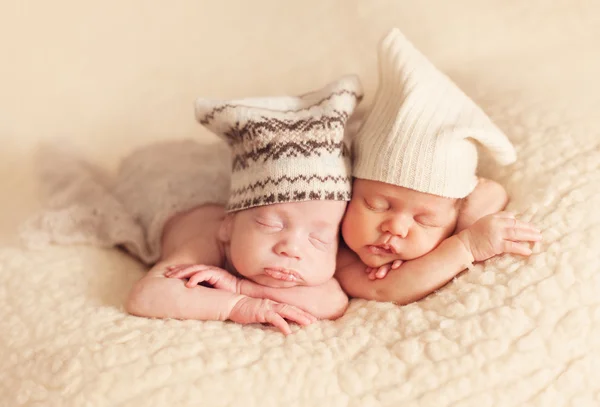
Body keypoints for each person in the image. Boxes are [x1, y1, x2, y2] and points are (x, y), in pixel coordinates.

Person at [126, 75, 364, 335]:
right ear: (228, 227)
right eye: (270, 224)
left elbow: (332, 302)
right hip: (172, 195)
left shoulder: (304, 255)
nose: (292, 248)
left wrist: (243, 288)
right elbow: (146, 295)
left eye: (319, 239)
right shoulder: (207, 241)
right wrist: (237, 305)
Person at [335, 28, 542, 303]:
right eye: (376, 205)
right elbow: (383, 290)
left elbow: (491, 194)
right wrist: (465, 246)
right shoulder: (333, 248)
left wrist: (446, 239)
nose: (395, 227)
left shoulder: (449, 215)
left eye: (425, 220)